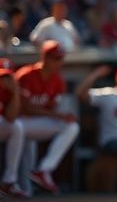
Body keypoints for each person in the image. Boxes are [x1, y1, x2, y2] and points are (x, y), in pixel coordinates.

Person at [15, 41, 80, 194]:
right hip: (17, 122)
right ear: (45, 57)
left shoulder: (58, 80)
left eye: (60, 59)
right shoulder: (26, 75)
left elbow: (54, 107)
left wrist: (65, 115)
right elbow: (26, 108)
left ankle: (44, 170)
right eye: (55, 58)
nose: (59, 62)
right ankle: (16, 186)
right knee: (24, 154)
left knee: (71, 126)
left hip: (35, 124)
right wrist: (58, 115)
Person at [0, 58, 27, 198]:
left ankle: (9, 181)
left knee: (16, 127)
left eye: (7, 77)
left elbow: (10, 118)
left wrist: (15, 92)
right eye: (1, 77)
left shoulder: (10, 92)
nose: (4, 81)